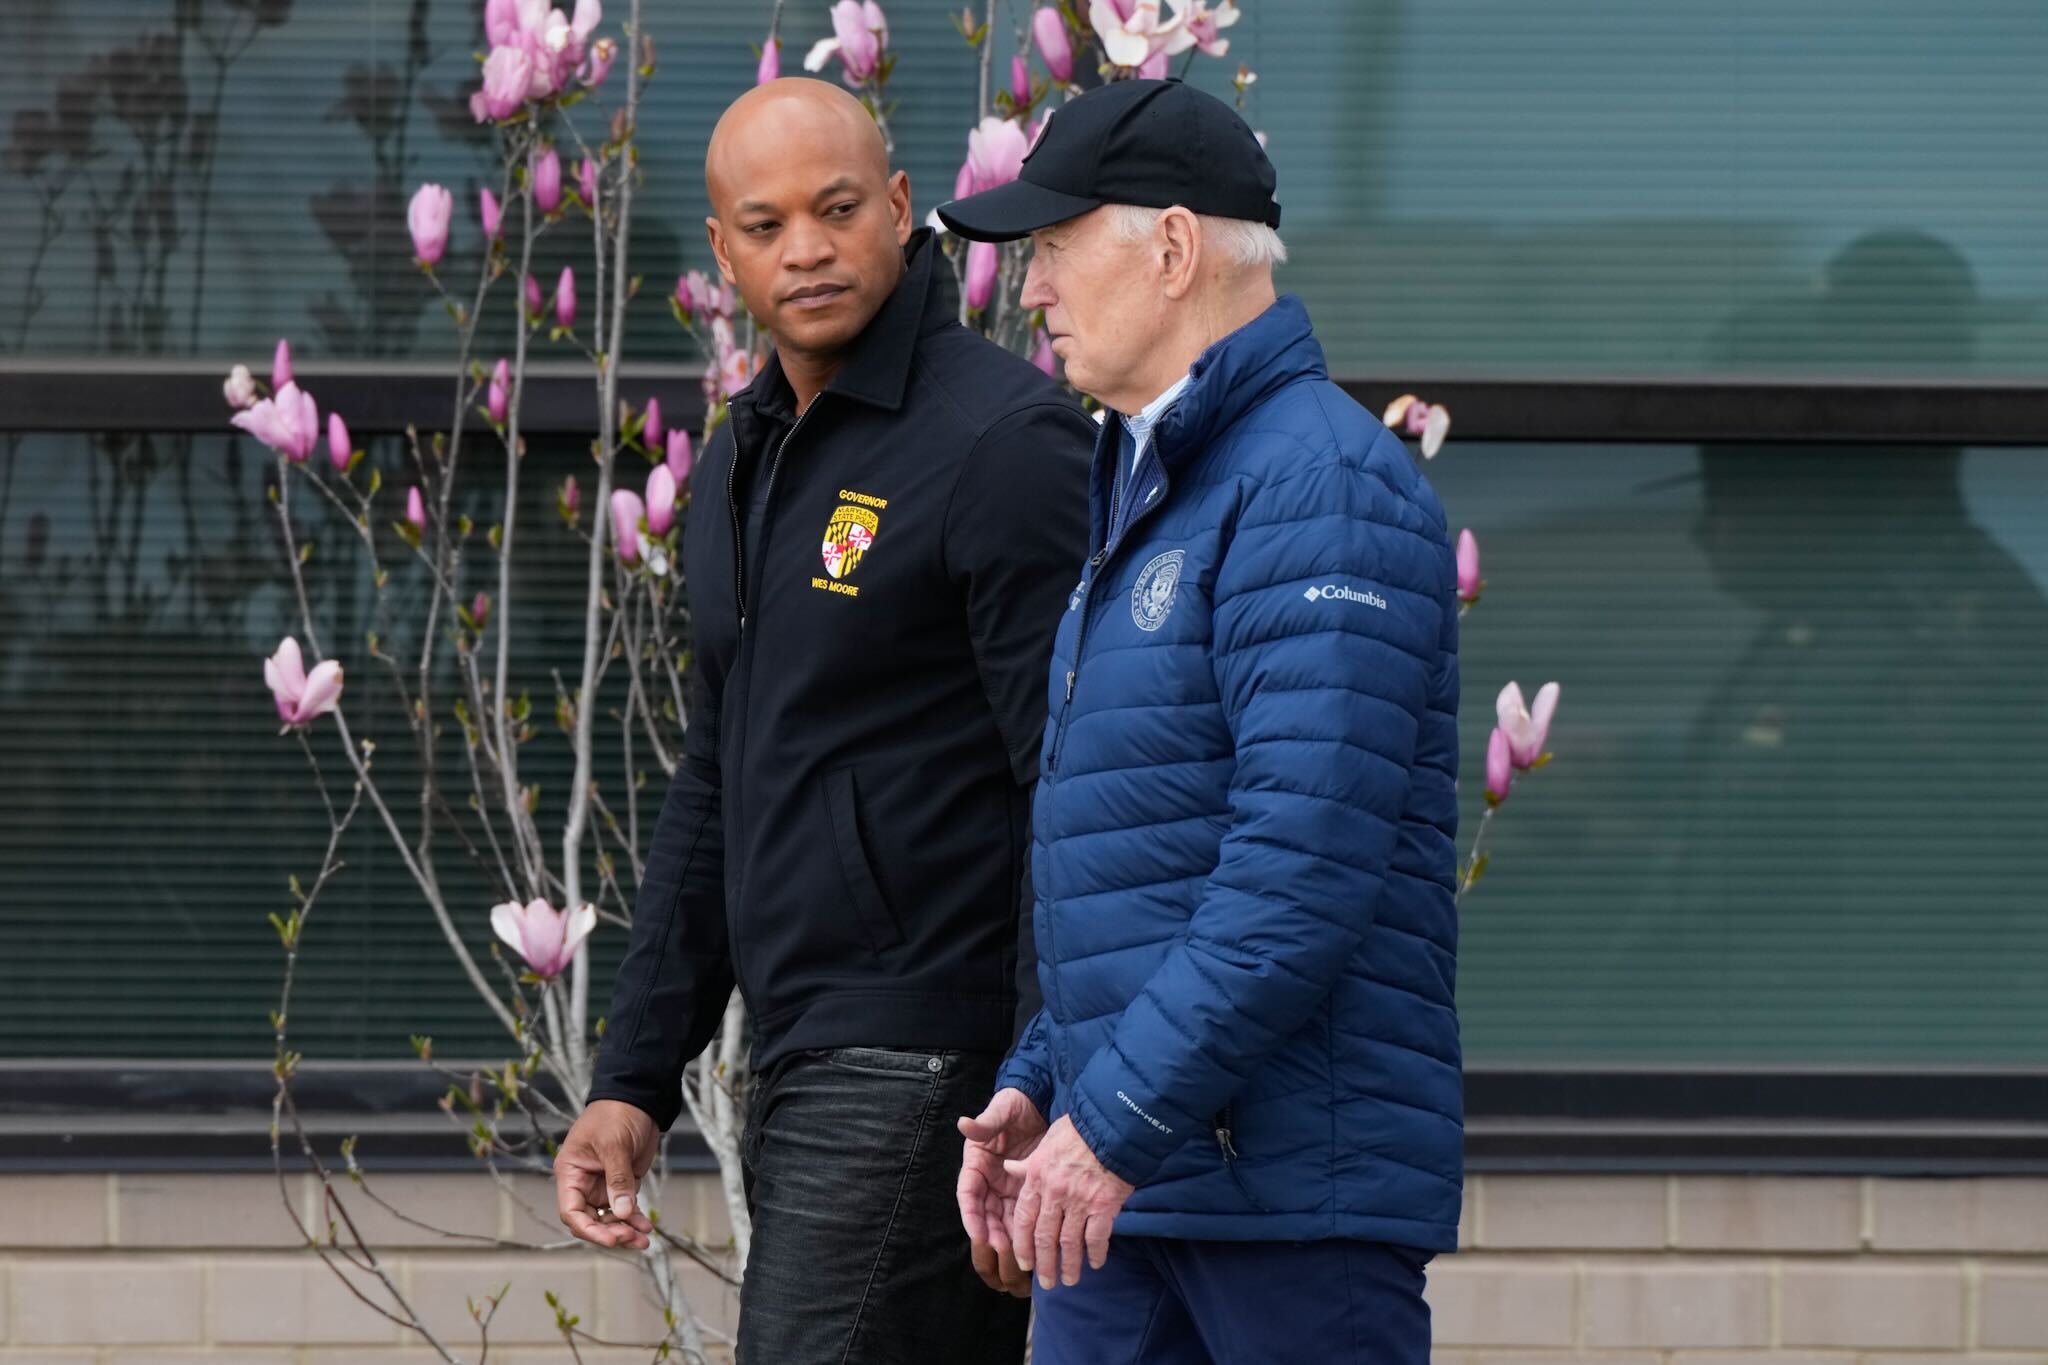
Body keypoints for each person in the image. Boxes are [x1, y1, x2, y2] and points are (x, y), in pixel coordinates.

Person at [555, 78, 1092, 1363]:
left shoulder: (1002, 441)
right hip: (801, 1052)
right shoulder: (744, 458)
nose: (806, 247)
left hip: (926, 1058)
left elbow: (1071, 789)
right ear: (725, 249)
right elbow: (717, 781)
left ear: (902, 212)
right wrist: (635, 1077)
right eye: (766, 222)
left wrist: (1035, 1077)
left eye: (838, 208)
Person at [938, 78, 1463, 1364]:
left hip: (1287, 1212)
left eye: (1054, 246)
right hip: (1129, 1194)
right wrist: (1041, 1079)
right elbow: (1148, 859)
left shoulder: (1319, 486)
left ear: (1171, 248)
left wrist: (1107, 1115)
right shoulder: (1158, 481)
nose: (1033, 288)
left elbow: (1295, 875)